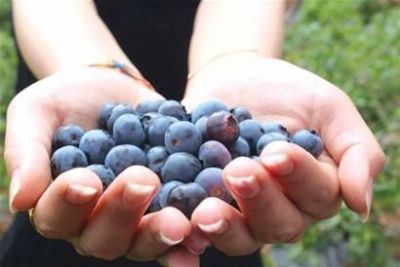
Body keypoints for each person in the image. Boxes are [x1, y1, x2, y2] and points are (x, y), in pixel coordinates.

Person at [1, 0, 385, 267]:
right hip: (78, 162)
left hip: (222, 219)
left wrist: (234, 59)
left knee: (227, 205)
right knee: (74, 202)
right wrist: (90, 65)